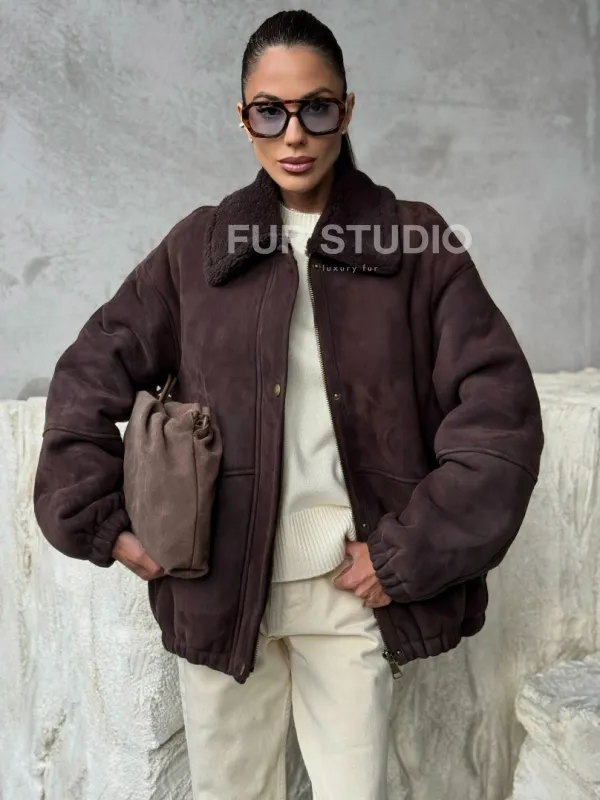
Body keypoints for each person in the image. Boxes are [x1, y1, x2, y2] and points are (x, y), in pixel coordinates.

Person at [33, 9, 544, 800]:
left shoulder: (415, 243)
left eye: (317, 108)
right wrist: (105, 525)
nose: (294, 134)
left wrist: (405, 556)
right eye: (269, 111)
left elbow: (500, 421)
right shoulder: (198, 249)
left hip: (350, 592)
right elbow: (86, 378)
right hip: (218, 587)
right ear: (244, 118)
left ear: (347, 109)